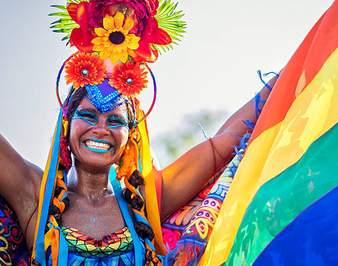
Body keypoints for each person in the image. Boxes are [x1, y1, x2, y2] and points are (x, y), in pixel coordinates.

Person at [0, 0, 275, 265]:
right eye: (87, 115)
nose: (101, 129)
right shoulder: (37, 196)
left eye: (115, 121)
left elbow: (225, 142)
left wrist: (292, 74)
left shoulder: (146, 199)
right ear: (66, 123)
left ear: (130, 134)